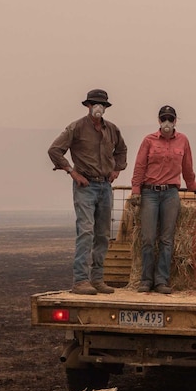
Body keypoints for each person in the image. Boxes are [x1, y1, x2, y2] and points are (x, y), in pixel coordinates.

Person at [48, 89, 128, 295]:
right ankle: (81, 280)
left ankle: (98, 279)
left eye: (102, 104)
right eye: (94, 103)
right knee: (85, 231)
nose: (98, 108)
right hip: (85, 186)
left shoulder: (112, 130)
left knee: (102, 234)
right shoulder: (76, 127)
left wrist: (117, 169)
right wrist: (71, 172)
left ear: (106, 108)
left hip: (105, 186)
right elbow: (55, 150)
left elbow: (122, 150)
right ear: (88, 106)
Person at [130, 105, 196, 294]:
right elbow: (140, 165)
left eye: (170, 118)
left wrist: (192, 185)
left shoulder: (183, 140)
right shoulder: (149, 141)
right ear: (159, 121)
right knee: (148, 238)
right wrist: (136, 189)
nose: (167, 122)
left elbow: (187, 166)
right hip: (149, 193)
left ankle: (162, 280)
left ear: (175, 121)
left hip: (170, 193)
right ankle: (146, 280)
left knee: (167, 239)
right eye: (164, 119)